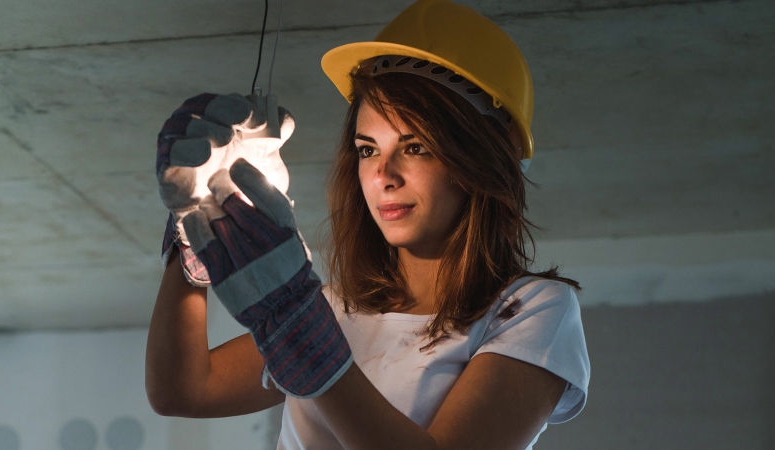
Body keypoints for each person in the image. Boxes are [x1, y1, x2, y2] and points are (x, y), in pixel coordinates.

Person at [145, 0, 590, 449]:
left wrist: (305, 339)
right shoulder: (334, 310)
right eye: (368, 149)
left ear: (479, 160)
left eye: (415, 147)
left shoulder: (531, 310)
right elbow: (182, 390)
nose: (383, 176)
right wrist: (195, 222)